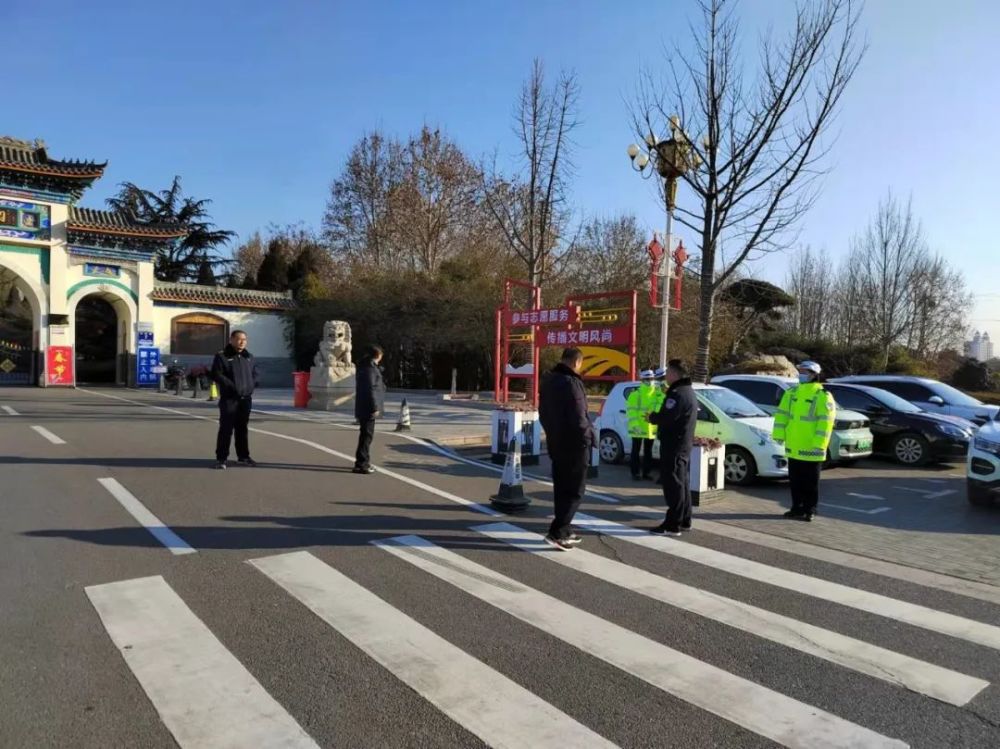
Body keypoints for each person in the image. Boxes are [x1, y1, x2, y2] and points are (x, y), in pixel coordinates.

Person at [538, 347, 595, 550]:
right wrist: (588, 438)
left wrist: (553, 433)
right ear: (577, 363)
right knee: (575, 489)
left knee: (561, 487)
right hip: (575, 444)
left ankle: (564, 527)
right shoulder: (572, 383)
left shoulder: (549, 381)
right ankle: (558, 531)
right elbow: (580, 417)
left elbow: (542, 412)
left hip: (556, 442)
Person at [772, 360, 836, 521]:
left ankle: (810, 510)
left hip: (811, 448)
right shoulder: (792, 393)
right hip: (794, 446)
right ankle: (796, 508)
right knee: (795, 482)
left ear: (814, 375)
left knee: (811, 483)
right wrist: (778, 435)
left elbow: (826, 422)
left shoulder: (822, 395)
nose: (801, 374)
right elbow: (782, 415)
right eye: (800, 371)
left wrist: (819, 444)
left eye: (805, 372)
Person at [648, 359, 697, 536]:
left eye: (668, 371)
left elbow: (668, 417)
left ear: (675, 373)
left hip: (674, 445)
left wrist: (653, 417)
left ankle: (672, 524)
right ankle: (684, 520)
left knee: (674, 485)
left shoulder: (677, 393)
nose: (666, 375)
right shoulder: (687, 391)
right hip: (682, 444)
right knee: (682, 483)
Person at [210, 330, 259, 470]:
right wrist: (232, 387)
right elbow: (217, 374)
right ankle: (221, 458)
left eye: (244, 339)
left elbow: (256, 374)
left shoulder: (249, 357)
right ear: (231, 340)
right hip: (229, 399)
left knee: (242, 429)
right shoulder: (222, 356)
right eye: (238, 339)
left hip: (245, 399)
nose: (242, 342)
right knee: (226, 429)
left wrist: (251, 385)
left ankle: (243, 457)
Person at [354, 344, 386, 474]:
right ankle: (362, 464)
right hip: (368, 407)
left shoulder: (366, 367)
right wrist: (374, 407)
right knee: (366, 436)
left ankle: (361, 462)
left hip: (363, 405)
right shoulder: (369, 369)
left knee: (365, 435)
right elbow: (370, 389)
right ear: (378, 355)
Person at [626, 369, 662, 480]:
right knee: (635, 451)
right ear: (642, 380)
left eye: (652, 379)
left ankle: (646, 473)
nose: (650, 381)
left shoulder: (657, 393)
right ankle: (635, 473)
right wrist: (635, 425)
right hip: (637, 427)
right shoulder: (635, 394)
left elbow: (660, 407)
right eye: (647, 379)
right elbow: (631, 411)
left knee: (648, 451)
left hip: (650, 426)